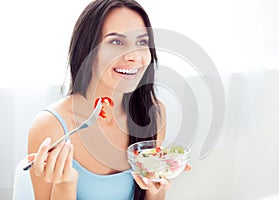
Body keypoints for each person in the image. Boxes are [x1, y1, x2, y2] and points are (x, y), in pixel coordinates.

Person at [27, 0, 190, 199]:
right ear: (87, 50)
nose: (134, 56)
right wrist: (65, 184)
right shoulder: (51, 126)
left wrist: (158, 185)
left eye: (141, 42)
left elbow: (152, 193)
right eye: (116, 42)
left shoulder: (154, 114)